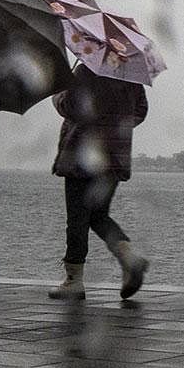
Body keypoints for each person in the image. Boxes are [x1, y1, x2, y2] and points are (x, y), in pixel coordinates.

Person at [48, 65, 149, 301]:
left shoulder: (85, 72)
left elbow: (71, 106)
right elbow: (140, 111)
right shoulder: (130, 75)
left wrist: (58, 96)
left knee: (77, 218)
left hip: (82, 157)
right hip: (114, 158)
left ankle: (74, 281)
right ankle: (129, 258)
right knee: (98, 215)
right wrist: (114, 123)